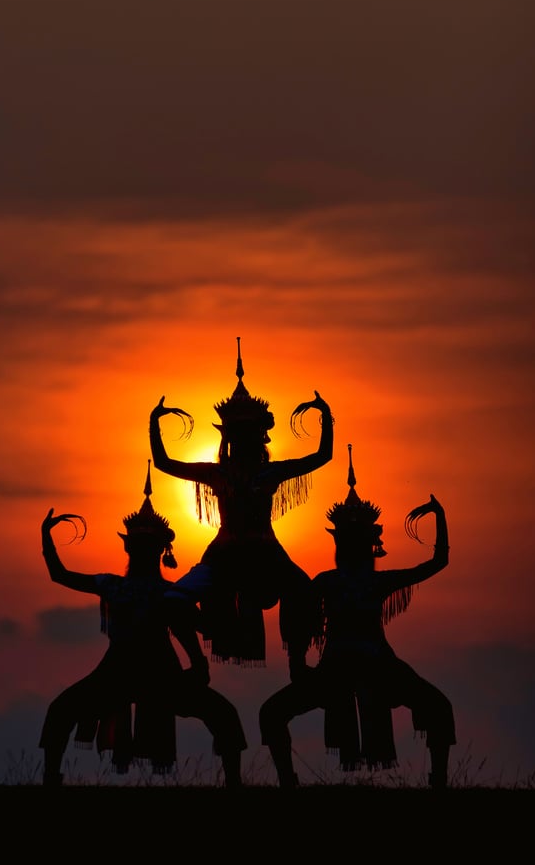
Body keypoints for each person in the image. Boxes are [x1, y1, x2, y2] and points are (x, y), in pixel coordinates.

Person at [38, 461, 247, 787]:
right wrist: (46, 540)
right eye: (140, 548)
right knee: (223, 714)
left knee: (62, 711)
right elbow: (60, 576)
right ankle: (51, 779)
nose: (142, 553)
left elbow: (191, 627)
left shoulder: (149, 590)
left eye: (145, 548)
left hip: (138, 670)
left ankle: (234, 781)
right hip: (138, 670)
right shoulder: (161, 591)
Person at [259, 444, 456, 789]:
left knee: (439, 708)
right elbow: (296, 611)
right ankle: (288, 783)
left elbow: (437, 564)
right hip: (355, 667)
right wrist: (297, 659)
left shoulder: (339, 582)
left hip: (364, 666)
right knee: (438, 708)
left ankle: (438, 783)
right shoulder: (344, 582)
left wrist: (440, 518)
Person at [149, 336, 334, 668]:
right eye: (237, 434)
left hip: (267, 553)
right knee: (173, 600)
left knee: (308, 595)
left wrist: (325, 417)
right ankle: (197, 660)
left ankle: (297, 661)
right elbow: (164, 463)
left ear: (259, 436)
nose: (242, 440)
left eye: (248, 434)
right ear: (229, 437)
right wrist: (155, 424)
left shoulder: (270, 473)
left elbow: (323, 456)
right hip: (224, 555)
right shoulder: (218, 474)